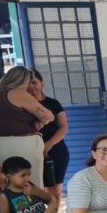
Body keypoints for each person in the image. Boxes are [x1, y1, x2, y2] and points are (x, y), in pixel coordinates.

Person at [0, 66, 54, 189]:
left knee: (6, 183)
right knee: (29, 182)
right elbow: (48, 116)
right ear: (23, 80)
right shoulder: (17, 93)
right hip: (22, 144)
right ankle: (32, 202)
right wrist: (41, 121)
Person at [29, 69, 68, 201]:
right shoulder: (22, 105)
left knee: (55, 190)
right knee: (35, 189)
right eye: (27, 84)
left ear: (42, 82)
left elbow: (63, 127)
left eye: (34, 82)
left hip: (56, 149)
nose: (31, 86)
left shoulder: (53, 104)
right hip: (31, 150)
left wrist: (49, 144)